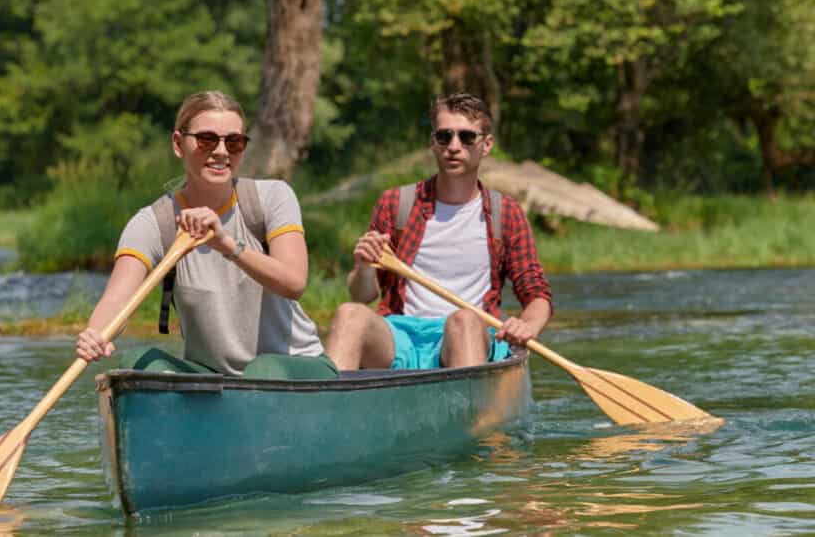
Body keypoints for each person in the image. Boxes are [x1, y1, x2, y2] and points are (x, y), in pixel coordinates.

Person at [76, 90, 337, 379]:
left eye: (234, 142)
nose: (221, 152)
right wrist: (96, 334)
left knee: (263, 369)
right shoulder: (153, 223)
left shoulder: (273, 197)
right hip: (214, 379)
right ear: (178, 144)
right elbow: (116, 300)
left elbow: (294, 282)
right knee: (140, 361)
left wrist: (225, 244)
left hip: (295, 366)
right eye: (207, 140)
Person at [324, 92, 552, 371]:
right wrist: (364, 267)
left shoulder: (506, 214)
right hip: (400, 335)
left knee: (463, 320)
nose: (454, 146)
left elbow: (536, 293)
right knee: (350, 314)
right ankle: (331, 407)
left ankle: (468, 411)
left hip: (469, 334)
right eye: (444, 136)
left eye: (467, 137)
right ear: (433, 142)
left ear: (486, 144)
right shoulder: (396, 204)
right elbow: (362, 296)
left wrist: (527, 326)